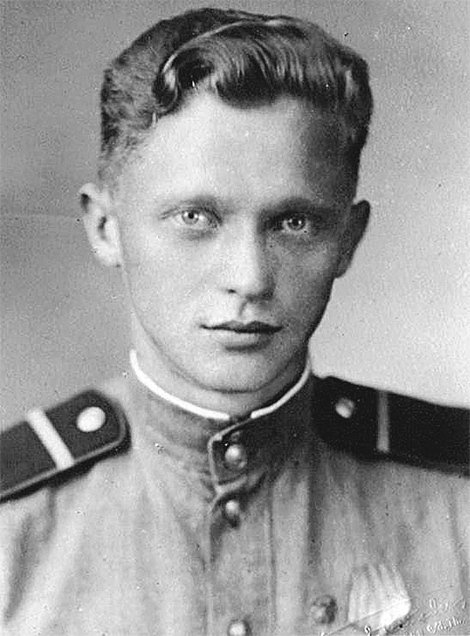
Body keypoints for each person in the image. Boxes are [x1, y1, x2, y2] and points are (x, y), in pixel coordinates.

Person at [1, 7, 469, 636]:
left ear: (348, 239)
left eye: (294, 223)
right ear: (106, 227)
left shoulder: (454, 503)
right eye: (195, 217)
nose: (250, 278)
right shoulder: (14, 530)